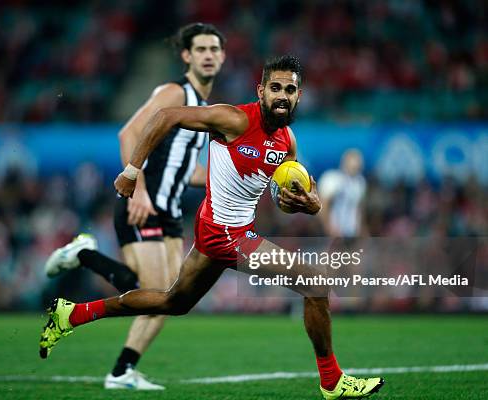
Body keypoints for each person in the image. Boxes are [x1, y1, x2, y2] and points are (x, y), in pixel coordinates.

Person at [39, 55, 384, 399]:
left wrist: (313, 205)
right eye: (275, 88)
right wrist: (132, 171)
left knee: (173, 301)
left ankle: (72, 315)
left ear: (299, 96)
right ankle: (332, 381)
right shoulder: (232, 118)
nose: (282, 95)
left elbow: (286, 191)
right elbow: (165, 116)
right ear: (261, 91)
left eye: (290, 89)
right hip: (225, 233)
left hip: (220, 232)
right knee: (315, 283)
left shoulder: (287, 141)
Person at [43, 23, 226, 390]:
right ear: (186, 56)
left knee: (169, 296)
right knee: (158, 295)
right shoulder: (175, 92)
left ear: (222, 57)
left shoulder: (203, 107)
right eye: (201, 49)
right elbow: (128, 133)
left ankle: (86, 257)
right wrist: (139, 190)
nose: (208, 55)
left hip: (169, 212)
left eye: (214, 49)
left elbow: (186, 169)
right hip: (143, 205)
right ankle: (120, 372)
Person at [318, 149, 366, 238]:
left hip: (351, 232)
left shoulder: (360, 182)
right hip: (334, 230)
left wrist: (359, 228)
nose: (356, 165)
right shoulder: (333, 179)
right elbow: (323, 205)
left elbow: (359, 208)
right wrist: (328, 227)